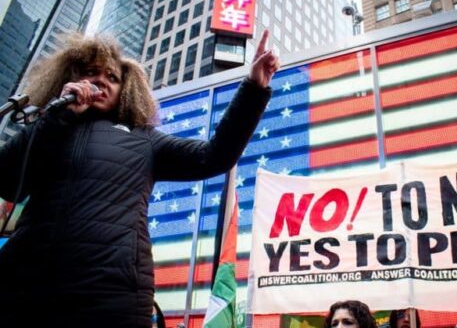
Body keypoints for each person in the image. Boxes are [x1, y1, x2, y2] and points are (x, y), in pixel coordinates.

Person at [0, 30, 279, 328]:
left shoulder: (145, 139)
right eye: (91, 72)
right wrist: (55, 119)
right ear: (69, 78)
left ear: (126, 90)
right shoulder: (49, 125)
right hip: (27, 288)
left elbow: (215, 156)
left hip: (112, 293)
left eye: (112, 77)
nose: (101, 81)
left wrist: (254, 87)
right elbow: (7, 182)